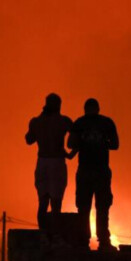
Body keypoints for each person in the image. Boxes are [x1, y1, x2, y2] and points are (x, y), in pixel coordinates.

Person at [67, 98, 119, 251]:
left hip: (85, 171)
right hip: (101, 170)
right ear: (98, 108)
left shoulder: (79, 123)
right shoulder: (107, 123)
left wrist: (84, 142)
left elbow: (70, 144)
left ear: (85, 109)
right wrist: (102, 143)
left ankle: (84, 241)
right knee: (102, 207)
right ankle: (103, 241)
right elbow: (115, 144)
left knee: (84, 207)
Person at [25, 93, 74, 229]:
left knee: (43, 202)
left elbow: (29, 139)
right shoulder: (64, 121)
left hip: (42, 162)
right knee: (56, 203)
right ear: (59, 105)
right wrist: (70, 154)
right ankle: (56, 237)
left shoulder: (36, 121)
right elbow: (76, 137)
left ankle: (44, 236)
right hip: (57, 162)